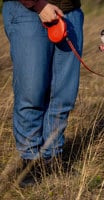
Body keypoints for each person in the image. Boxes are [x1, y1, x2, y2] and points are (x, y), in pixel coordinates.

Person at [1, 0, 83, 187]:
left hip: (71, 12)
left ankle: (52, 157)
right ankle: (30, 161)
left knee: (64, 94)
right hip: (27, 12)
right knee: (31, 92)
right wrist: (38, 4)